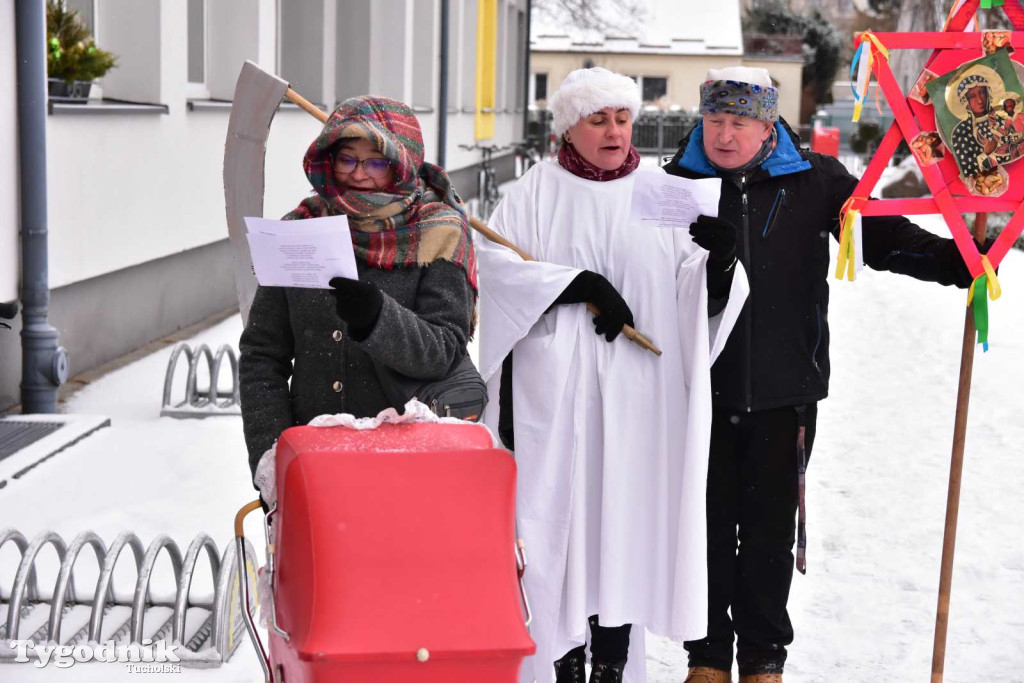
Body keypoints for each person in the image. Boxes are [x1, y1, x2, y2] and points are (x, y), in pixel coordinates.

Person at [663, 66, 983, 683]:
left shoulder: (814, 181)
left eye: (739, 122)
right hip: (696, 391)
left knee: (768, 533)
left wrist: (957, 262)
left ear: (767, 125)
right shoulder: (678, 184)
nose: (724, 136)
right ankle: (705, 658)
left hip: (787, 391)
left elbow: (882, 237)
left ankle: (762, 658)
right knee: (701, 528)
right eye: (714, 120)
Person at [475, 67, 749, 683]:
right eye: (598, 120)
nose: (614, 131)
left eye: (622, 119)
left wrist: (723, 262)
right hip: (559, 397)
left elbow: (691, 288)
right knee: (563, 531)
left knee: (622, 525)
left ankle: (614, 663)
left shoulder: (663, 192)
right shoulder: (533, 192)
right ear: (570, 128)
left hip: (638, 394)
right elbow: (496, 271)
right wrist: (575, 285)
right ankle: (563, 659)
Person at [239, 95, 477, 483]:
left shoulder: (439, 231)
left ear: (403, 163)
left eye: (376, 161)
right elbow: (262, 354)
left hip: (411, 464)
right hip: (313, 462)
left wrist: (378, 319)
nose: (359, 174)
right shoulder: (299, 229)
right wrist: (270, 454)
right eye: (347, 158)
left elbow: (444, 351)